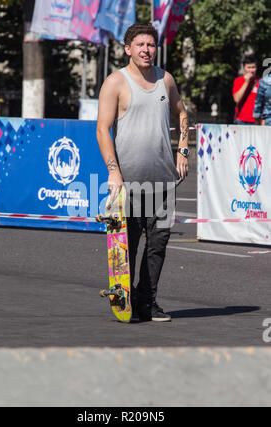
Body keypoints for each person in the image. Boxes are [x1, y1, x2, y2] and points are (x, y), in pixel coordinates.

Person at [96, 23, 189, 322]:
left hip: (163, 181)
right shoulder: (115, 82)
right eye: (140, 45)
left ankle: (147, 301)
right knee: (129, 246)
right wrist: (113, 171)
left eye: (151, 45)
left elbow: (182, 113)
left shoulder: (166, 79)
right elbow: (102, 129)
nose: (146, 50)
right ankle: (128, 302)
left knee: (158, 245)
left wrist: (183, 150)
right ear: (128, 49)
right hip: (129, 183)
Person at [232, 55, 260, 125]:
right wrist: (246, 82)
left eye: (253, 67)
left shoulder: (261, 82)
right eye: (249, 68)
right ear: (244, 68)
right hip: (240, 120)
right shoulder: (238, 81)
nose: (251, 70)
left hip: (255, 121)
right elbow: (237, 99)